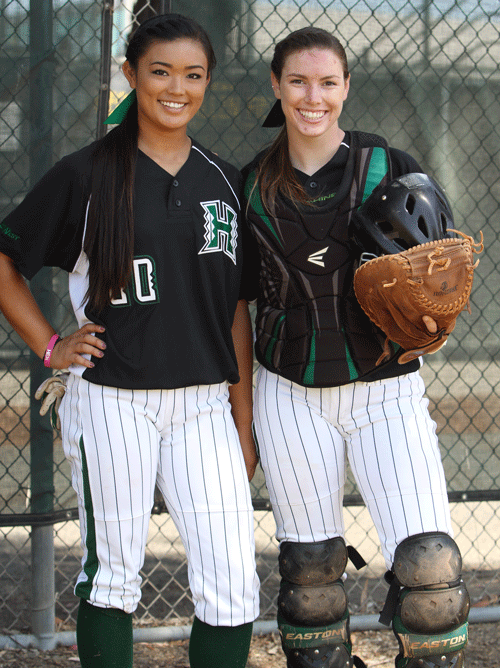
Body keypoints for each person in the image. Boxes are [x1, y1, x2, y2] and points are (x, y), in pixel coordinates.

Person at [0, 14, 259, 668]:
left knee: (231, 582)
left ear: (207, 83)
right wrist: (51, 345)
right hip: (114, 399)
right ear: (131, 75)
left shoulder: (225, 179)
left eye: (193, 74)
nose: (178, 87)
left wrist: (243, 417)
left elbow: (233, 305)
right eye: (161, 71)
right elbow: (5, 259)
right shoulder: (87, 173)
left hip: (204, 404)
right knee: (113, 576)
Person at [242, 27, 469, 668]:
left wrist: (430, 307)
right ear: (277, 87)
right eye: (298, 81)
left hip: (386, 390)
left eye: (328, 82)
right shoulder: (249, 185)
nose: (314, 97)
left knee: (430, 569)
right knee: (310, 578)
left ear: (346, 87)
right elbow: (236, 304)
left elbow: (442, 267)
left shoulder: (388, 165)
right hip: (289, 392)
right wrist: (241, 415)